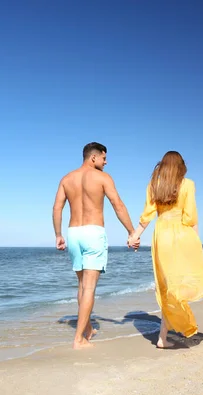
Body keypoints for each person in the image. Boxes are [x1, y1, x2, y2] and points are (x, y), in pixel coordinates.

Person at [129, 151, 203, 348]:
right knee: (183, 283)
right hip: (183, 235)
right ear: (180, 166)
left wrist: (135, 235)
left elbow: (147, 215)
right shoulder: (187, 184)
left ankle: (163, 336)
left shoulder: (154, 185)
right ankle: (168, 332)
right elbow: (191, 217)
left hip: (162, 237)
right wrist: (198, 245)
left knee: (168, 286)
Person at [53, 142, 140, 349]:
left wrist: (58, 234)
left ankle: (88, 328)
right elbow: (117, 204)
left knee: (82, 286)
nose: (106, 162)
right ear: (93, 158)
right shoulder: (102, 178)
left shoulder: (66, 179)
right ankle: (78, 339)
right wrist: (131, 232)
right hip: (93, 232)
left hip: (73, 233)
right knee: (90, 287)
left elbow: (57, 207)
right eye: (104, 158)